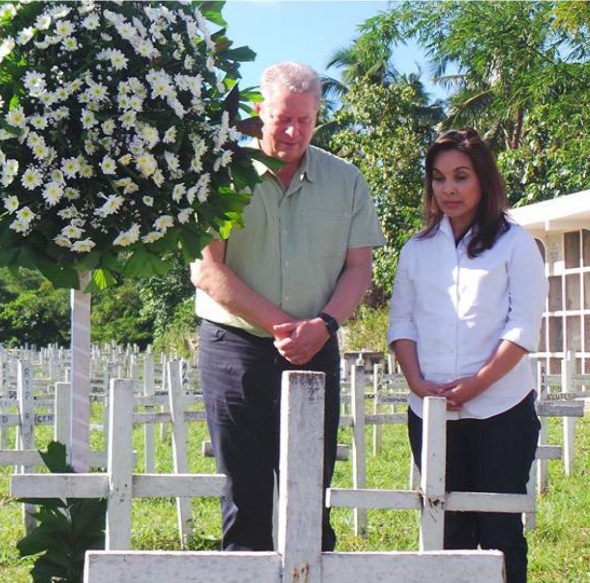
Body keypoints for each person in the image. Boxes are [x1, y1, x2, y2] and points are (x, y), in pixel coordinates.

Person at [191, 61, 385, 552]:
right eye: (283, 119)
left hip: (317, 343)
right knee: (243, 492)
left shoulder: (347, 180)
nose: (294, 130)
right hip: (234, 345)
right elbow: (208, 269)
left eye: (305, 119)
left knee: (309, 489)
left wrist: (322, 325)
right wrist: (284, 327)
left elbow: (359, 268)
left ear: (318, 116)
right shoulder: (220, 175)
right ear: (261, 111)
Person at [387, 128, 546, 583]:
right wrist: (417, 382)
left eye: (461, 176)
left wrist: (478, 383)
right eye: (438, 178)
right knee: (446, 531)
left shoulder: (516, 243)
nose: (449, 189)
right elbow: (402, 324)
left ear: (483, 180)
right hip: (431, 410)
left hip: (501, 408)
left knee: (500, 531)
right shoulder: (416, 250)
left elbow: (522, 326)